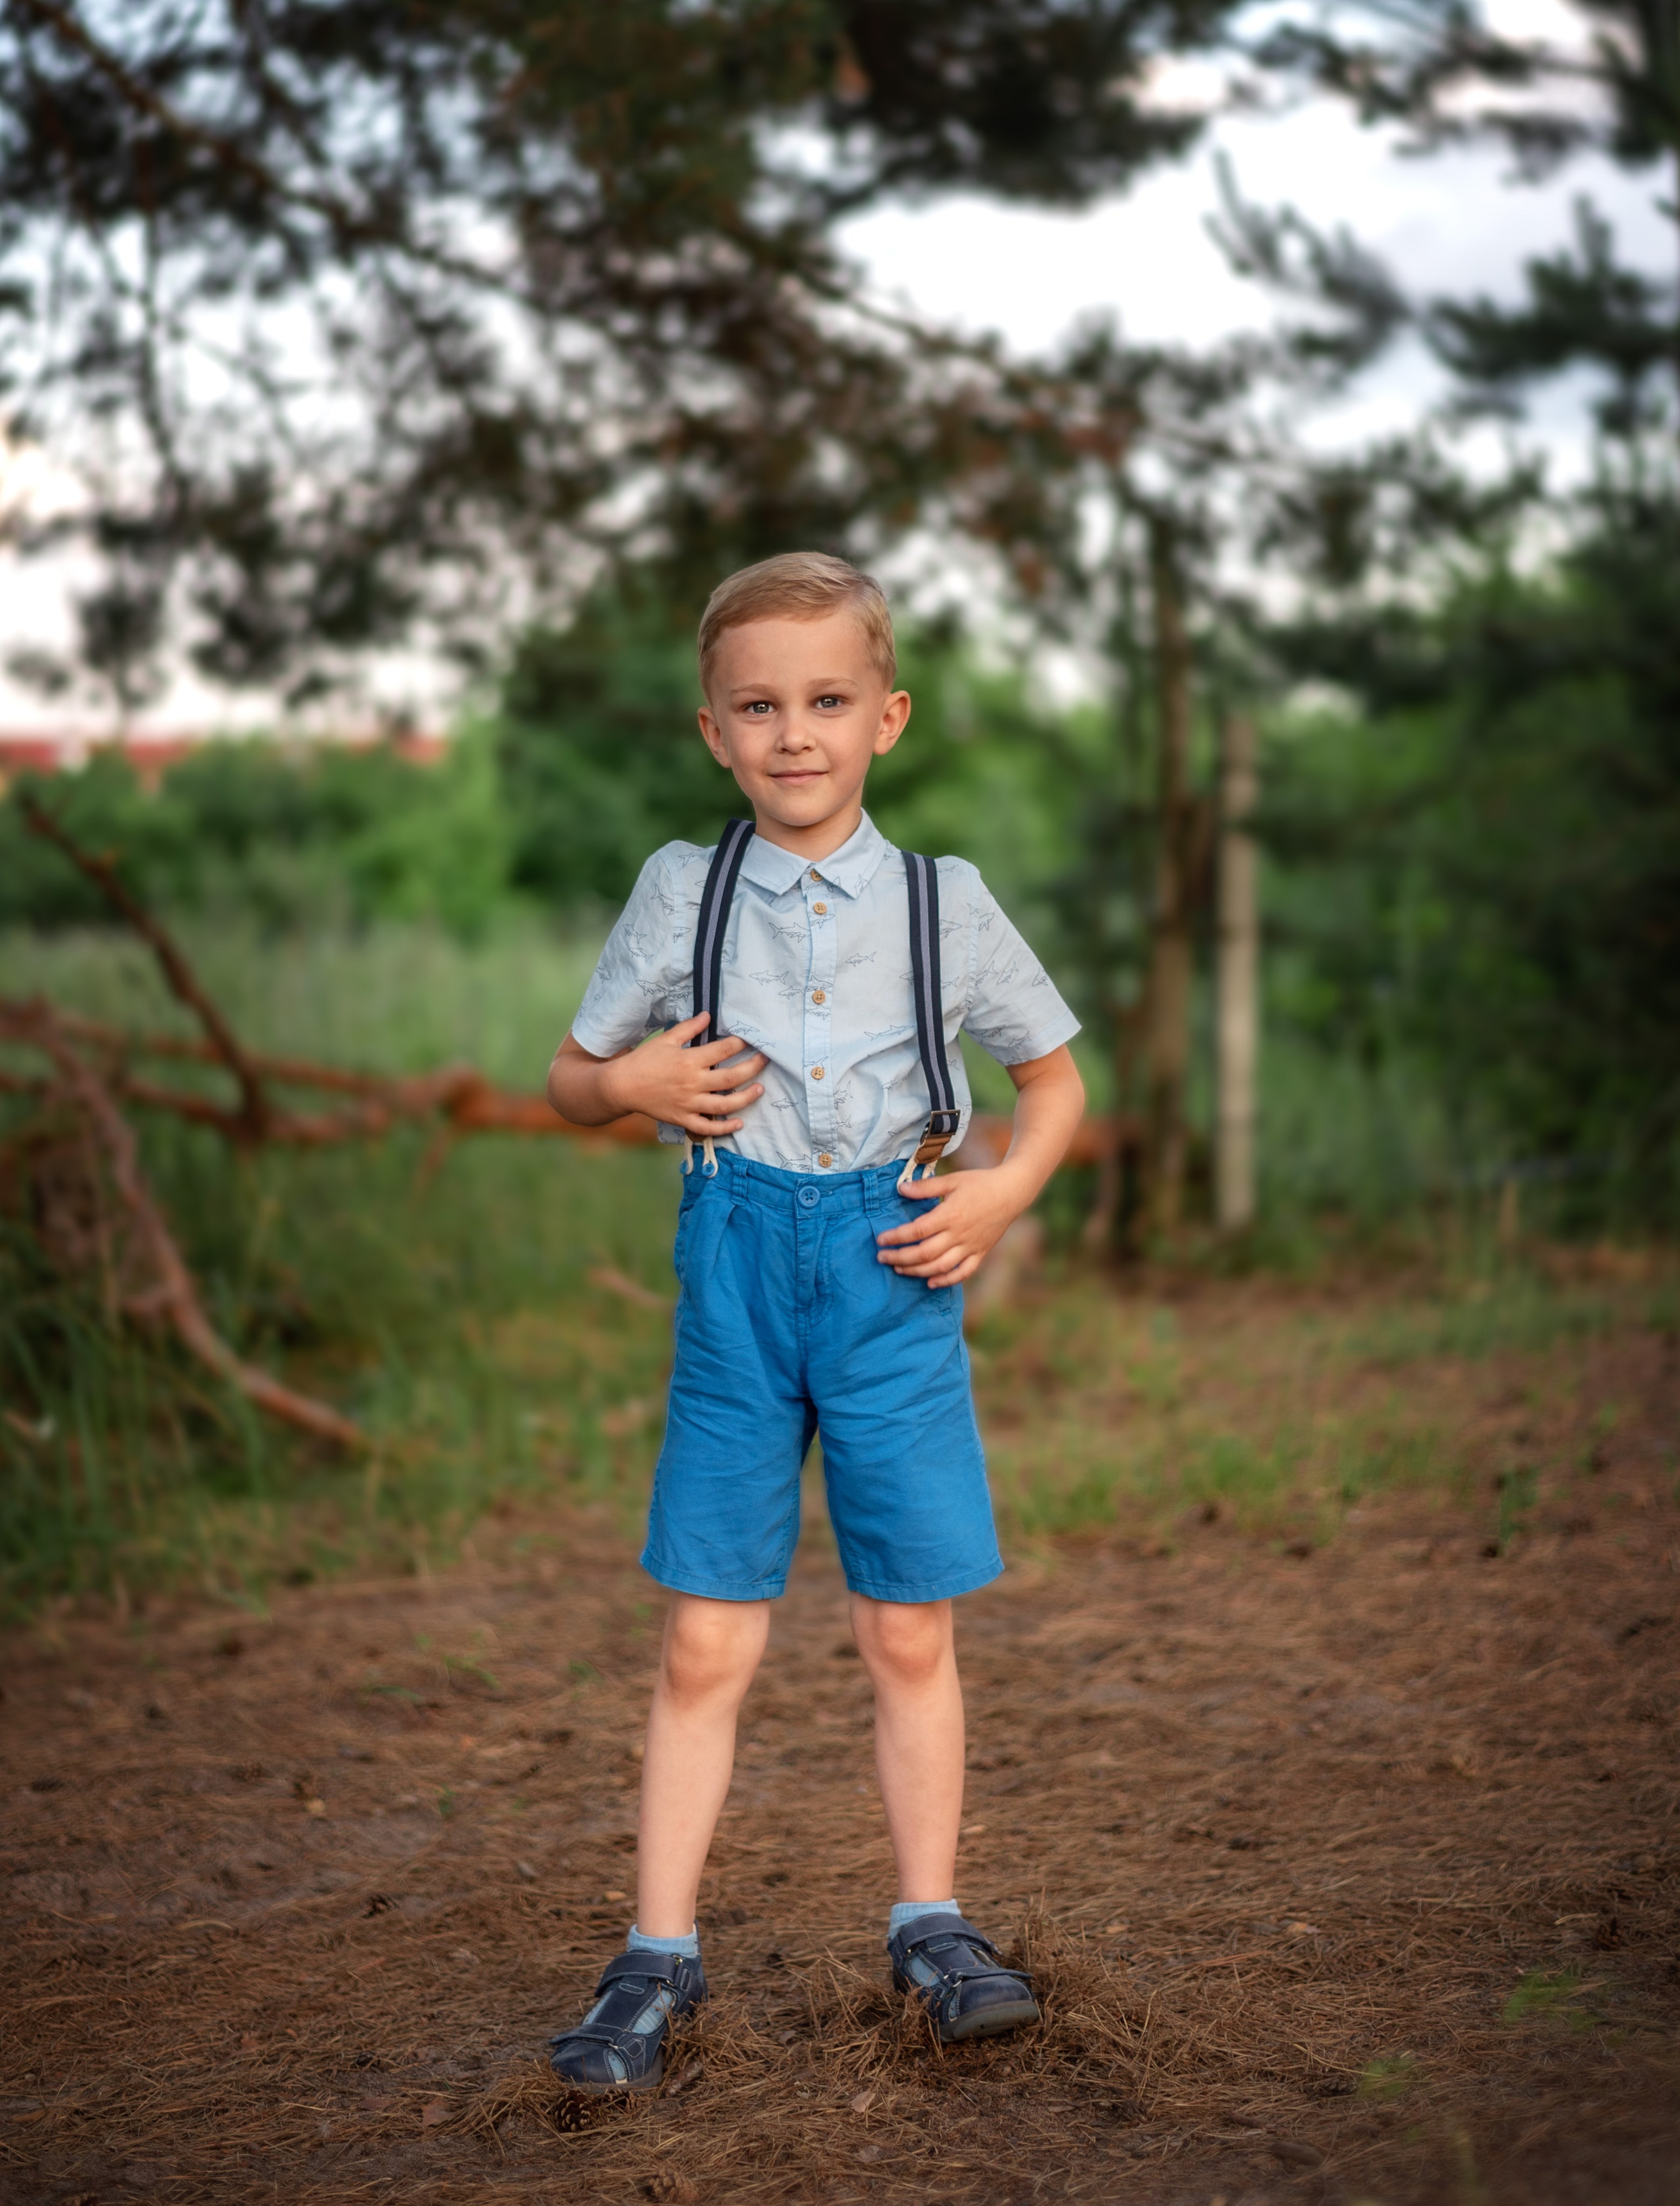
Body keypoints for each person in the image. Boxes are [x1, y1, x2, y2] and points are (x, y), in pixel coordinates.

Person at [543, 551, 1085, 2090]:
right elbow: (572, 1076)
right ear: (712, 729)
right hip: (732, 1272)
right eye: (759, 705)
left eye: (827, 700)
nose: (795, 733)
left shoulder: (944, 904)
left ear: (886, 717)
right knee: (706, 1633)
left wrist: (997, 1196)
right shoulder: (678, 888)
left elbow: (1053, 1084)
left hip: (892, 1274)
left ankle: (931, 1922)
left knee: (905, 1621)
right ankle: (657, 1957)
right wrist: (631, 1084)